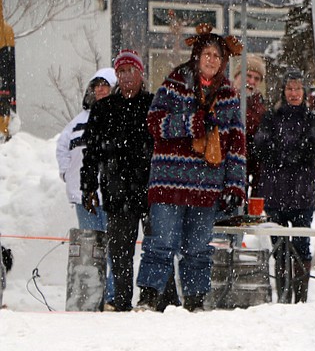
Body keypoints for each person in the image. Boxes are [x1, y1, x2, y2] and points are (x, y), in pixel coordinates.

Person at [136, 25, 246, 311]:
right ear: (197, 56)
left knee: (198, 249)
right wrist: (190, 124)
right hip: (169, 180)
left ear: (223, 62)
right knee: (161, 243)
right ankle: (148, 297)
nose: (211, 60)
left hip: (207, 185)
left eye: (217, 56)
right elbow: (154, 123)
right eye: (207, 54)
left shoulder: (229, 95)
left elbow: (236, 143)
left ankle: (195, 301)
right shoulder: (175, 82)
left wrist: (235, 185)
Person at [80, 50, 155, 312]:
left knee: (156, 246)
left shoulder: (153, 104)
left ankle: (154, 297)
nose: (125, 77)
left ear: (140, 73)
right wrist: (87, 186)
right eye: (120, 72)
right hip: (116, 190)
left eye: (130, 71)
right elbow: (91, 153)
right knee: (121, 252)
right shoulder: (103, 109)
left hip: (149, 190)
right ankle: (121, 301)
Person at [252, 68, 315, 303]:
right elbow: (261, 146)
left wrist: (283, 152)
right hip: (275, 192)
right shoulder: (271, 117)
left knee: (302, 245)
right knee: (279, 247)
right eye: (289, 88)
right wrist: (287, 153)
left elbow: (310, 148)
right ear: (283, 90)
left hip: (302, 193)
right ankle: (283, 295)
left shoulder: (312, 118)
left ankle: (300, 297)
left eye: (298, 88)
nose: (293, 93)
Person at [58, 67, 117, 307]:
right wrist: (66, 173)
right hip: (85, 197)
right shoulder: (77, 122)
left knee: (114, 250)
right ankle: (93, 297)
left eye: (105, 85)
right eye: (97, 85)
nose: (100, 89)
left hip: (113, 196)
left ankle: (111, 296)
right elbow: (62, 148)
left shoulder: (120, 115)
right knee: (90, 249)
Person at [233, 54, 267, 194]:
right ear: (237, 76)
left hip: (248, 177)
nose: (251, 81)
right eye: (248, 75)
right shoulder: (223, 100)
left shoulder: (261, 109)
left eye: (256, 78)